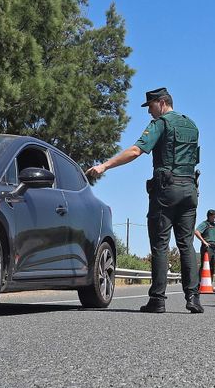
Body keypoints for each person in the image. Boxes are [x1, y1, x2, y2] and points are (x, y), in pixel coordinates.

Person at [87, 87, 203, 313]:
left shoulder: (162, 123)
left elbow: (136, 150)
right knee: (186, 244)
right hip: (190, 189)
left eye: (150, 107)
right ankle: (193, 298)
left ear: (161, 103)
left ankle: (158, 299)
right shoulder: (191, 125)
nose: (149, 112)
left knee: (160, 244)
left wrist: (104, 166)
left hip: (167, 190)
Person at [195, 210, 215, 277]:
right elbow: (197, 232)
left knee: (212, 266)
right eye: (214, 216)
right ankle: (200, 283)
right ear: (210, 216)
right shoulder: (204, 224)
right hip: (207, 247)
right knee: (205, 265)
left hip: (214, 247)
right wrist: (204, 241)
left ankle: (209, 283)